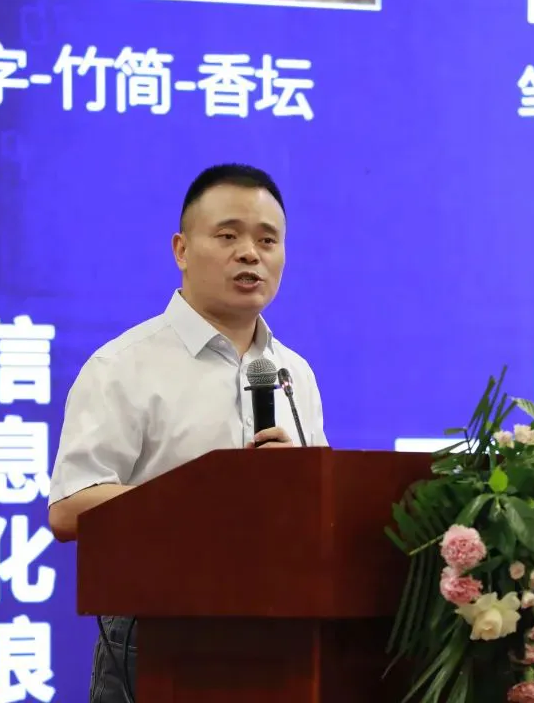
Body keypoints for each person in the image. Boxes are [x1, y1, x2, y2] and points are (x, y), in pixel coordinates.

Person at [46, 163, 328, 703]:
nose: (250, 254)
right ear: (181, 250)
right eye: (228, 236)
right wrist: (208, 496)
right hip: (156, 638)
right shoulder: (124, 366)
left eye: (267, 240)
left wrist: (299, 490)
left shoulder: (295, 373)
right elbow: (69, 509)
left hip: (281, 634)